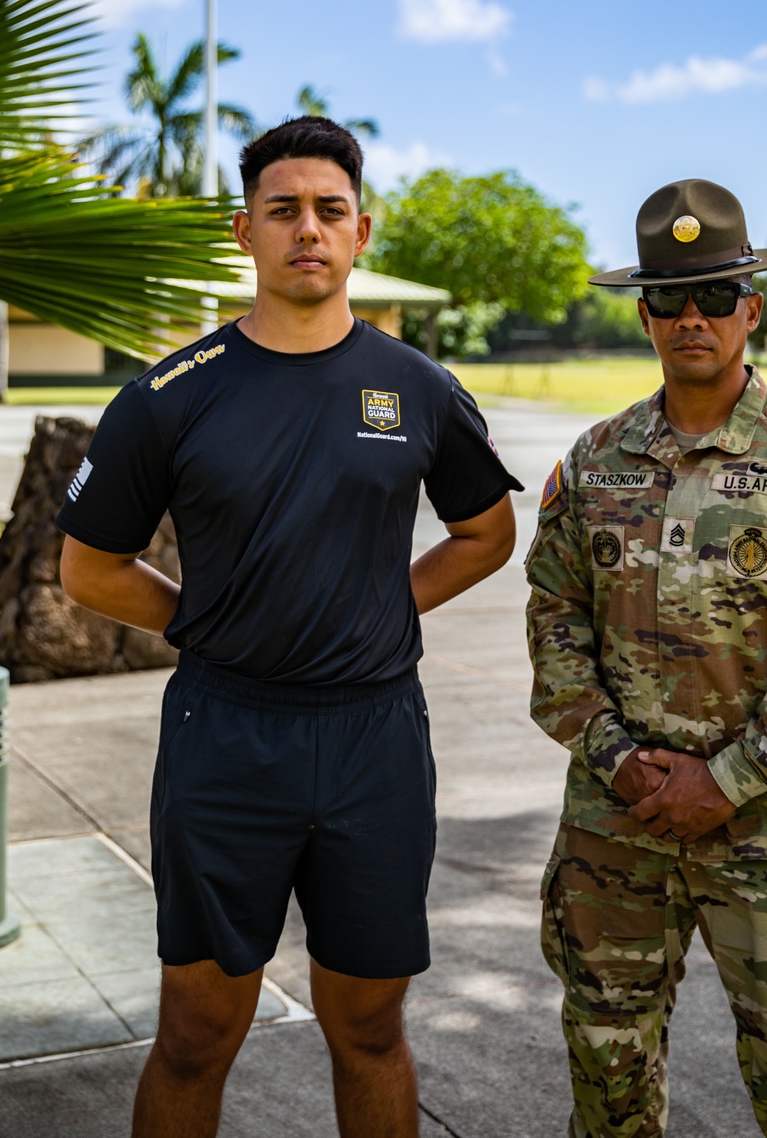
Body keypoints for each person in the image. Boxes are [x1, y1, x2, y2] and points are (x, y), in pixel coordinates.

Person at [57, 117, 522, 1138]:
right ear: (245, 230)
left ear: (363, 231)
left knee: (367, 1026)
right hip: (227, 737)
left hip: (374, 742)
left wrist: (381, 605)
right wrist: (207, 621)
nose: (307, 228)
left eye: (328, 210)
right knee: (194, 1029)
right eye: (283, 210)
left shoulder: (417, 388)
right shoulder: (169, 397)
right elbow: (86, 566)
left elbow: (486, 533)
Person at [525, 178, 767, 1138]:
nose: (691, 317)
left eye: (714, 295)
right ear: (644, 313)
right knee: (607, 1077)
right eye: (667, 298)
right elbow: (554, 625)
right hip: (618, 828)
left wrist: (724, 781)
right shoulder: (598, 458)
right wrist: (619, 759)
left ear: (752, 307)